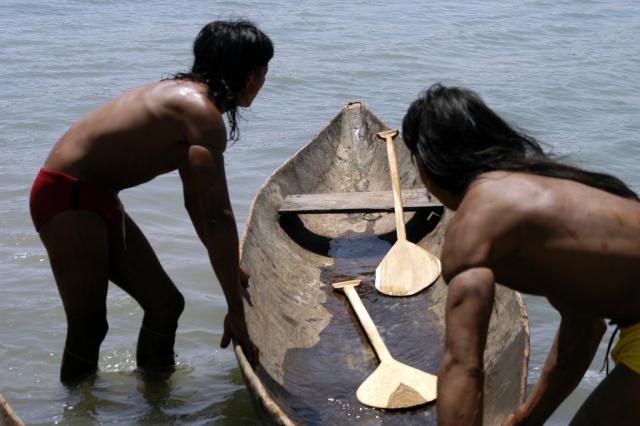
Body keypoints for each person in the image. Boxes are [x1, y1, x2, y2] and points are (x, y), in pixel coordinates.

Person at [29, 20, 272, 383]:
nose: (264, 81)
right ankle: (75, 413)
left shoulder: (187, 102)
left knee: (165, 306)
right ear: (248, 73)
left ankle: (156, 408)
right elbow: (217, 218)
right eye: (264, 70)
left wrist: (229, 267)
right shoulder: (200, 113)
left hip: (95, 197)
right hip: (68, 195)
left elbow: (200, 207)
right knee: (88, 326)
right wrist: (235, 309)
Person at [402, 84, 640, 425]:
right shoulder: (554, 190)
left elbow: (463, 366)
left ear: (426, 167)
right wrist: (526, 419)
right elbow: (583, 333)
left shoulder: (473, 224)